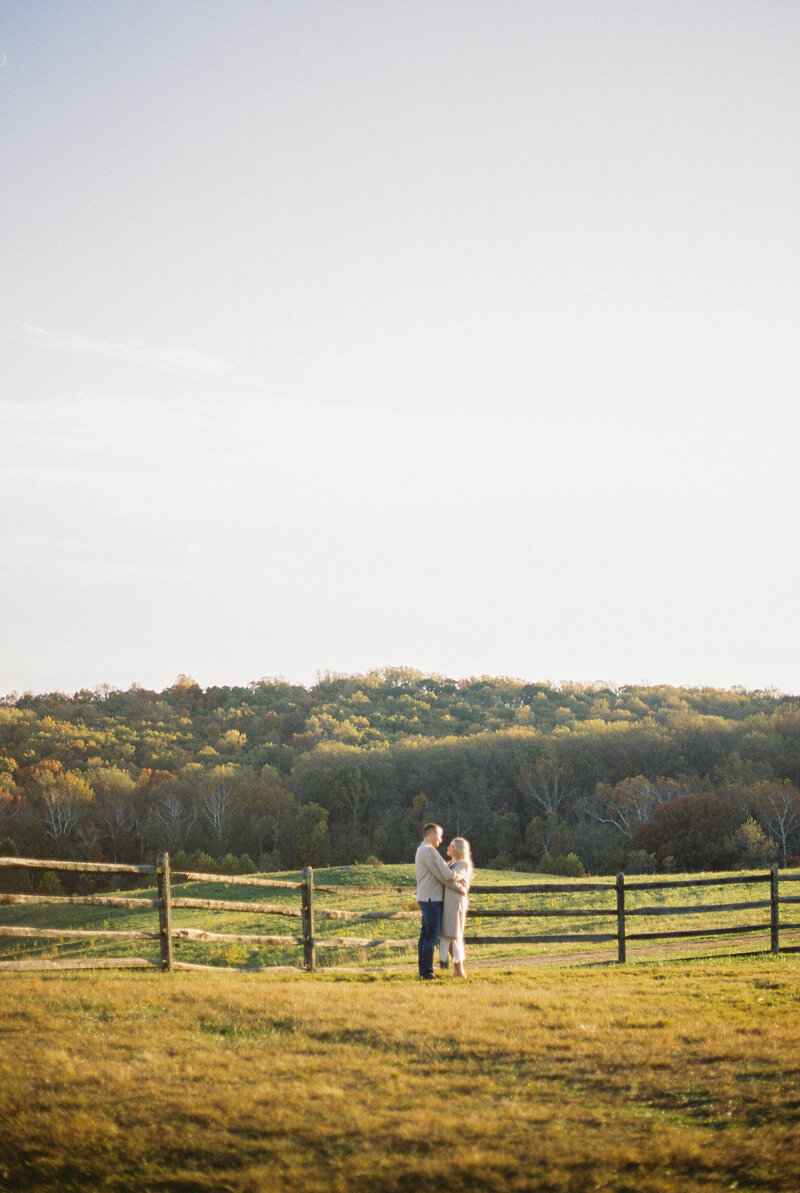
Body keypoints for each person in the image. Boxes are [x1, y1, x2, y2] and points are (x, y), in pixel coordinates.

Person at [415, 823, 465, 980]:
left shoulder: (422, 850)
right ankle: (427, 973)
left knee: (425, 935)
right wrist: (459, 888)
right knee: (430, 936)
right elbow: (443, 875)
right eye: (440, 835)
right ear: (432, 835)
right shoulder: (427, 851)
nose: (441, 839)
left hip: (427, 897)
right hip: (431, 898)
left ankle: (424, 970)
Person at [439, 837, 473, 979]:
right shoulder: (451, 863)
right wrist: (460, 888)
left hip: (455, 904)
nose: (448, 847)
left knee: (454, 935)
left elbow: (452, 878)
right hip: (449, 903)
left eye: (452, 846)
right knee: (449, 935)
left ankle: (459, 970)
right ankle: (457, 970)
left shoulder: (463, 864)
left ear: (458, 849)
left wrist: (456, 887)